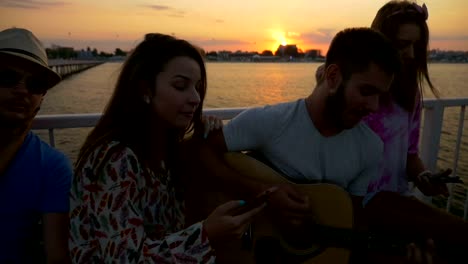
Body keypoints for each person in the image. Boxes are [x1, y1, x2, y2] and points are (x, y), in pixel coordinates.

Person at [193, 27, 401, 260]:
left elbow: (349, 219)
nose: (374, 107)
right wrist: (262, 194)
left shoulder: (371, 148)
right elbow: (200, 150)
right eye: (366, 91)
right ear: (333, 77)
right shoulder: (271, 121)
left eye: (380, 96)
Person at [68, 33, 266, 263]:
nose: (195, 98)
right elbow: (123, 258)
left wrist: (202, 136)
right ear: (145, 90)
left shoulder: (163, 153)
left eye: (198, 87)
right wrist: (206, 236)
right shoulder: (114, 159)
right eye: (180, 86)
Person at [0, 28, 72, 263]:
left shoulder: (52, 168)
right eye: (7, 77)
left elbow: (56, 257)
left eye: (35, 84)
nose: (22, 90)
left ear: (42, 99)